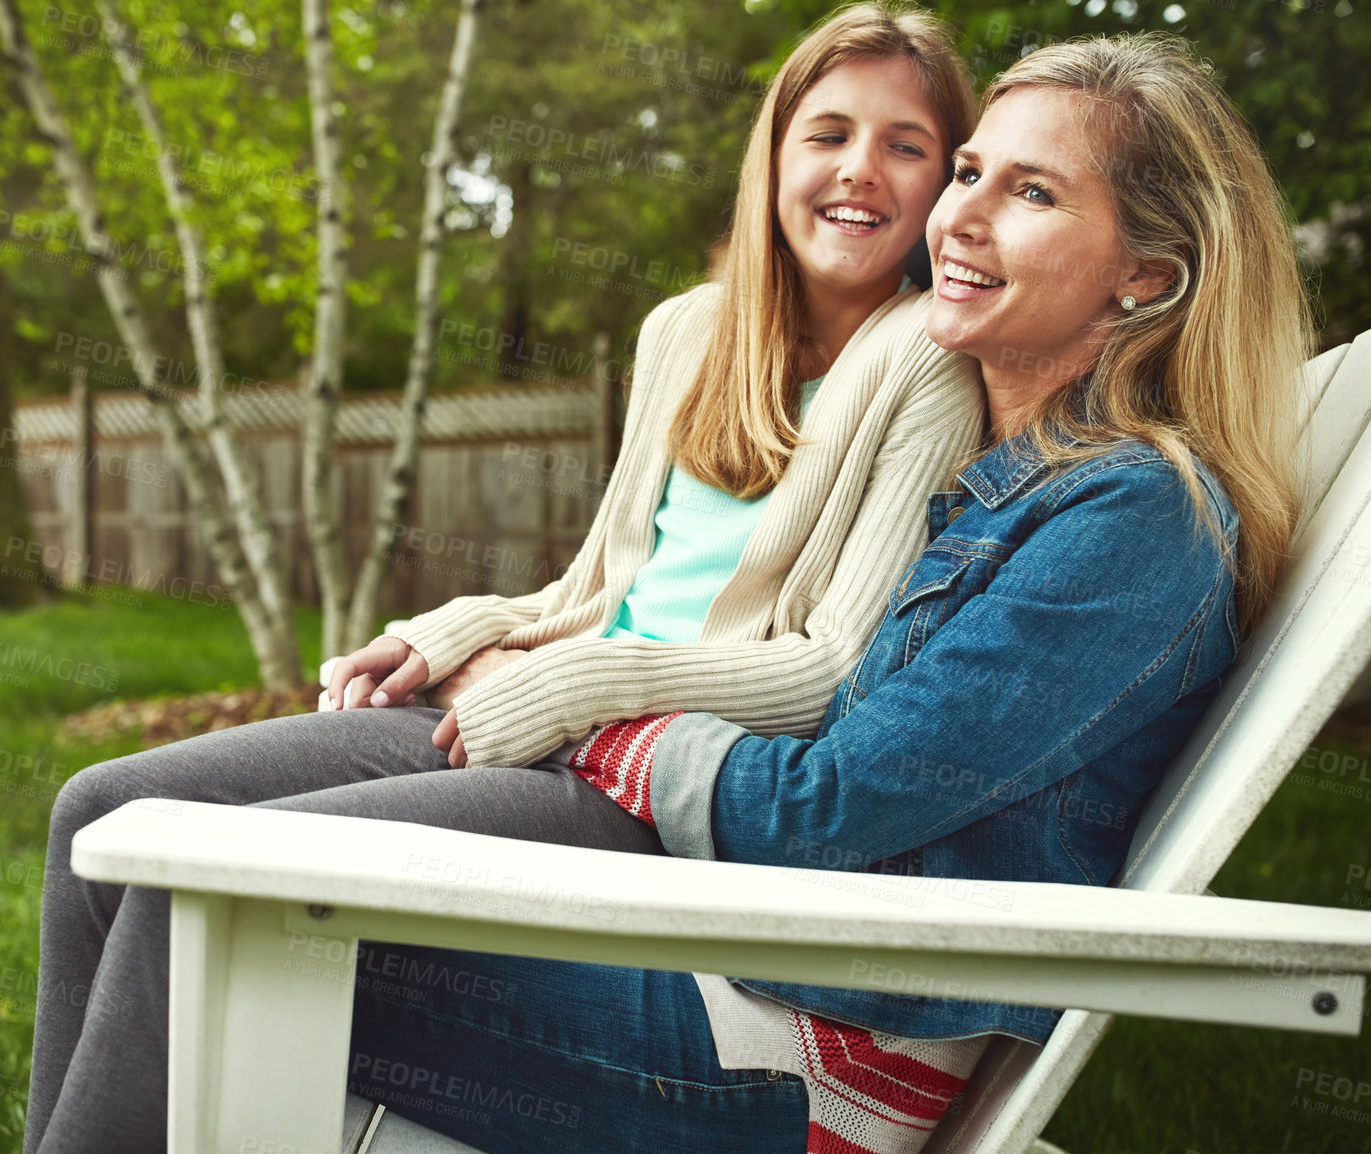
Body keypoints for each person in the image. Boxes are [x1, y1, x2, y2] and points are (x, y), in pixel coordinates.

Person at [24, 5, 985, 1151]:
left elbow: (829, 669)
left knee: (213, 879)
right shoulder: (687, 331)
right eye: (825, 133)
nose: (858, 171)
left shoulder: (928, 360)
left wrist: (575, 687)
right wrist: (450, 633)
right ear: (773, 155)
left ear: (944, 183)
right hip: (545, 715)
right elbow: (593, 585)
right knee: (102, 809)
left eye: (904, 145)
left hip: (651, 790)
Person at [343, 31, 1308, 1154]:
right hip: (726, 958)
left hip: (811, 1056)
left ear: (1146, 274)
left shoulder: (1132, 518)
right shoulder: (998, 489)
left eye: (1032, 190)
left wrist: (578, 718)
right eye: (967, 174)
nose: (959, 217)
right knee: (189, 888)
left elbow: (822, 808)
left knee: (225, 919)